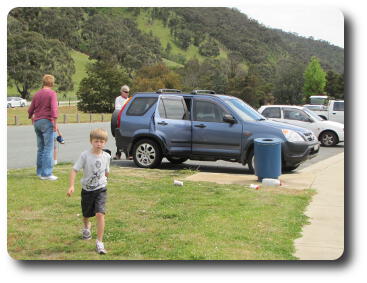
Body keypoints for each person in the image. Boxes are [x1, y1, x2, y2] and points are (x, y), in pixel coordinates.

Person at [67, 128, 111, 254]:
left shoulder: (107, 157)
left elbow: (107, 172)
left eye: (102, 141)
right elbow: (74, 170)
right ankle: (86, 227)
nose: (99, 144)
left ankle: (100, 242)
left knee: (100, 214)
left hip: (101, 189)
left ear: (105, 143)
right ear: (91, 141)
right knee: (86, 214)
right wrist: (71, 186)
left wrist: (103, 181)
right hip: (87, 189)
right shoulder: (85, 155)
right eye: (96, 141)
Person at [28, 74, 58, 181]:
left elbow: (30, 109)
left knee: (40, 148)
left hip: (37, 122)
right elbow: (54, 110)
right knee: (48, 148)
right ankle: (47, 173)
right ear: (52, 83)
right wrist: (54, 123)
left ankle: (39, 172)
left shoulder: (37, 94)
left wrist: (30, 116)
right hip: (47, 121)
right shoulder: (52, 93)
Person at [113, 85, 130, 159]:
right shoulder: (118, 99)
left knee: (127, 137)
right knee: (119, 137)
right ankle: (118, 154)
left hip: (128, 120)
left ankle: (127, 154)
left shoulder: (129, 100)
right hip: (120, 120)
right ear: (121, 92)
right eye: (125, 92)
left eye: (128, 92)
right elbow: (118, 109)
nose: (127, 93)